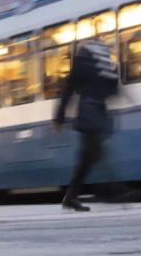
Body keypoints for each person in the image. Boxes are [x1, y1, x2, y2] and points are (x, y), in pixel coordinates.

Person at [54, 39, 119, 212]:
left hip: (90, 110)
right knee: (92, 154)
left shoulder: (84, 60)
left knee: (90, 155)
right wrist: (59, 115)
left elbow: (70, 87)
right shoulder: (101, 61)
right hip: (94, 111)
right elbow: (112, 88)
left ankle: (73, 196)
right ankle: (108, 191)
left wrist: (60, 115)